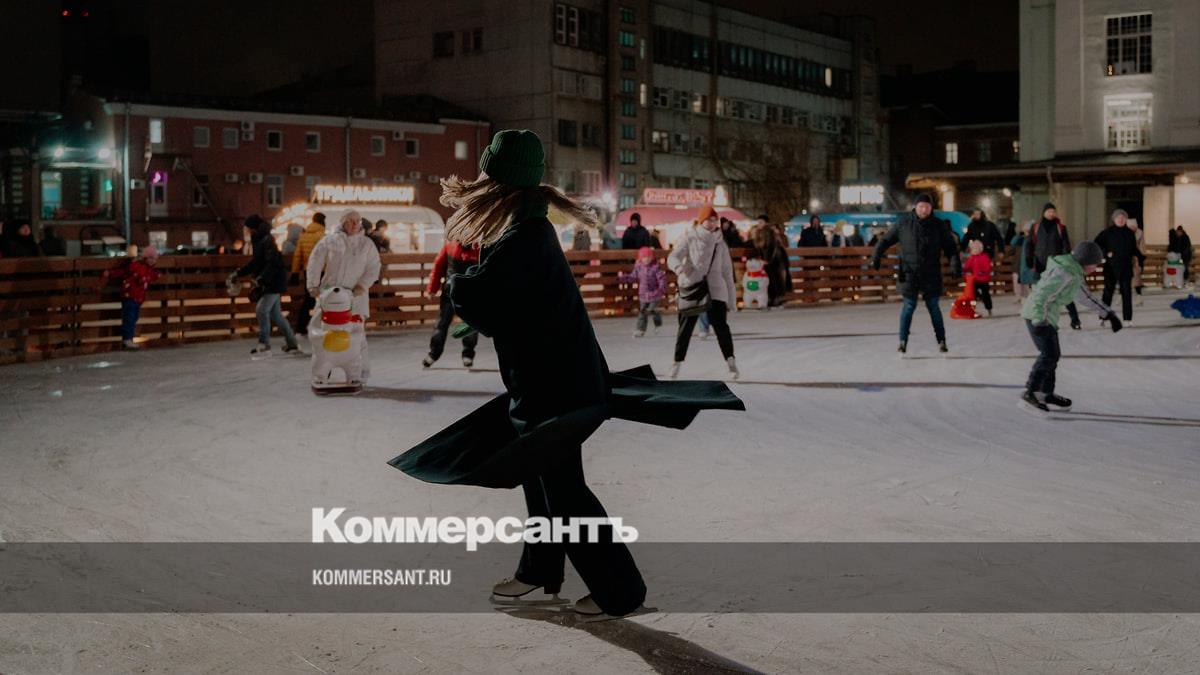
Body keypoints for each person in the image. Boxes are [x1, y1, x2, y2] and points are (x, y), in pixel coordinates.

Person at [389, 129, 744, 618]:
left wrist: (457, 282)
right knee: (540, 478)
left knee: (563, 490)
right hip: (550, 383)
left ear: (500, 183)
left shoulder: (525, 238)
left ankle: (620, 590)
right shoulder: (525, 231)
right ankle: (539, 570)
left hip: (556, 388)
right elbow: (506, 306)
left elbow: (484, 302)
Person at [1020, 241, 1122, 412]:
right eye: (1094, 264)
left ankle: (1045, 393)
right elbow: (1041, 295)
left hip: (1046, 316)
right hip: (1037, 315)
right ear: (1085, 261)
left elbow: (1085, 297)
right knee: (1049, 355)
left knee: (1052, 355)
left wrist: (1108, 314)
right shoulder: (1064, 272)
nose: (1095, 268)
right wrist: (1039, 320)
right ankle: (1031, 392)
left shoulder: (1074, 273)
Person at [871, 193, 961, 354]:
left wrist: (955, 264)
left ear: (931, 208)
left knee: (933, 307)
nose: (924, 209)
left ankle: (941, 341)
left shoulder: (938, 225)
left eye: (927, 206)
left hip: (931, 272)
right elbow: (885, 240)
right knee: (908, 306)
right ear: (915, 207)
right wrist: (876, 256)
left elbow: (950, 248)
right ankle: (903, 341)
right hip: (909, 273)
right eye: (921, 206)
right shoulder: (904, 223)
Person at [306, 210, 382, 377]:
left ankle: (361, 370)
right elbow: (315, 262)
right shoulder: (329, 241)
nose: (355, 224)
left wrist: (362, 285)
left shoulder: (366, 244)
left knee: (357, 335)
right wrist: (313, 285)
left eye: (358, 221)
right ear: (343, 222)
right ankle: (323, 368)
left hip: (356, 297)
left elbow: (373, 267)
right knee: (324, 332)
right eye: (351, 221)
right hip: (329, 295)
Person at [667, 204, 738, 378]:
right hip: (694, 287)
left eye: (715, 220)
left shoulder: (721, 243)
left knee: (721, 327)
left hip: (715, 289)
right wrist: (679, 268)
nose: (713, 223)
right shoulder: (690, 238)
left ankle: (731, 363)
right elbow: (673, 256)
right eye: (709, 219)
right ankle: (676, 362)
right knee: (685, 328)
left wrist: (732, 299)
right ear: (701, 221)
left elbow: (727, 272)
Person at [232, 216, 300, 356]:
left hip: (273, 281)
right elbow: (256, 262)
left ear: (253, 228)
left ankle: (264, 343)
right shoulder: (258, 239)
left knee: (262, 310)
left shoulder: (267, 240)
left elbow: (273, 263)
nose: (246, 231)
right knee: (276, 315)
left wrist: (262, 279)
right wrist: (240, 272)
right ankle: (292, 343)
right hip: (269, 281)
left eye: (247, 228)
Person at [424, 239, 480, 368]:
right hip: (451, 293)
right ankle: (434, 353)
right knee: (443, 323)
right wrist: (432, 289)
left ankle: (467, 354)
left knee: (468, 324)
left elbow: (484, 270)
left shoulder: (477, 249)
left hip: (467, 294)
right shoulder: (451, 247)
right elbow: (438, 267)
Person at [1026, 203, 1081, 329]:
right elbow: (1029, 244)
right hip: (1041, 264)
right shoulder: (1036, 227)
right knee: (1041, 294)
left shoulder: (1060, 227)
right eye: (1049, 211)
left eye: (1053, 211)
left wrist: (1066, 260)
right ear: (1044, 213)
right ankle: (1040, 319)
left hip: (1057, 264)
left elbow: (1066, 245)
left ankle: (1075, 320)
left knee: (1063, 291)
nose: (1051, 214)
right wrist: (1028, 259)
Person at [102, 246, 160, 349]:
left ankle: (129, 338)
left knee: (133, 318)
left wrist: (157, 275)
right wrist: (110, 273)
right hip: (130, 296)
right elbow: (124, 271)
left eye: (154, 259)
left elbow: (150, 276)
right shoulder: (136, 266)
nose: (152, 261)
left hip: (138, 298)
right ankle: (127, 339)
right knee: (129, 318)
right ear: (145, 258)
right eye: (150, 258)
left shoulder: (148, 269)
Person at [1094, 209, 1144, 325]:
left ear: (1126, 220)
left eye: (1123, 218)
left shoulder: (1129, 233)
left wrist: (1141, 257)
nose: (1121, 220)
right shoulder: (1107, 232)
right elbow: (1097, 244)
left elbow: (1133, 248)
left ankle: (1127, 318)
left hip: (1126, 267)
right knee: (1108, 293)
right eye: (1118, 218)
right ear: (1114, 219)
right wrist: (1105, 253)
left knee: (1126, 293)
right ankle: (1103, 317)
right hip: (1111, 267)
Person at [617, 246, 667, 337]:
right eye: (644, 257)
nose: (646, 259)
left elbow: (661, 279)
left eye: (648, 257)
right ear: (640, 258)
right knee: (642, 312)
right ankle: (640, 329)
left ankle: (658, 325)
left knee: (653, 310)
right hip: (643, 294)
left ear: (651, 258)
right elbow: (633, 277)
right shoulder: (639, 267)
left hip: (655, 294)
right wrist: (623, 278)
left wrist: (661, 288)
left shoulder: (655, 267)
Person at [290, 212, 326, 334]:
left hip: (308, 271)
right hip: (322, 271)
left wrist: (295, 273)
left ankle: (301, 326)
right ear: (323, 222)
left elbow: (297, 256)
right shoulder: (323, 237)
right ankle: (323, 325)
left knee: (309, 299)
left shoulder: (303, 236)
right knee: (325, 299)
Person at [750, 217, 791, 307]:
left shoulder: (770, 233)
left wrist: (767, 260)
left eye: (761, 222)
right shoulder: (758, 233)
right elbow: (758, 247)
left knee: (775, 279)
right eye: (758, 222)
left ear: (766, 223)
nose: (759, 224)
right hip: (765, 261)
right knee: (768, 280)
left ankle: (777, 298)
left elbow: (772, 248)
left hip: (774, 261)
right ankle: (771, 298)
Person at [961, 239, 994, 316]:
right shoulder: (972, 258)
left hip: (984, 279)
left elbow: (988, 267)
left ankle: (989, 309)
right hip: (975, 279)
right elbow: (967, 266)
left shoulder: (984, 257)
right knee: (973, 293)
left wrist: (983, 272)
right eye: (973, 248)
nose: (975, 250)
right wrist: (964, 270)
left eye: (976, 248)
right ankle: (975, 304)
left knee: (986, 295)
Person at [1010, 221, 1037, 302]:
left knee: (1028, 281)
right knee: (1017, 279)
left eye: (1028, 230)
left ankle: (1027, 297)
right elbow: (1013, 242)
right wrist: (1020, 233)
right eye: (1026, 230)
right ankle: (1019, 296)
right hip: (1018, 264)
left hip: (1028, 264)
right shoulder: (1021, 239)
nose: (1027, 232)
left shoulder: (1034, 239)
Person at [1129, 218, 1146, 304]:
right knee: (1126, 279)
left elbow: (1142, 246)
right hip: (1127, 259)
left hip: (1136, 259)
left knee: (1136, 279)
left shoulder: (1139, 233)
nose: (1133, 228)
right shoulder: (1124, 234)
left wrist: (1142, 256)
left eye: (1134, 227)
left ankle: (1139, 297)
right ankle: (1122, 296)